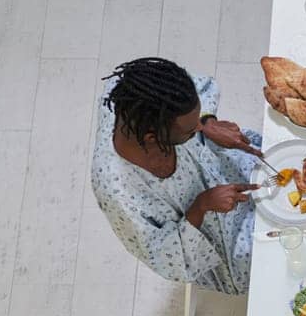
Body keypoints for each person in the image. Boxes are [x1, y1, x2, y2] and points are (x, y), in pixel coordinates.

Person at [91, 57, 263, 295]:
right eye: (190, 131)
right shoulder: (118, 192)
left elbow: (195, 88)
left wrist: (207, 123)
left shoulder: (133, 90)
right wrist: (201, 206)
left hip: (228, 169)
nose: (197, 131)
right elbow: (166, 259)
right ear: (153, 138)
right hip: (220, 247)